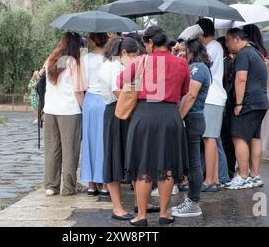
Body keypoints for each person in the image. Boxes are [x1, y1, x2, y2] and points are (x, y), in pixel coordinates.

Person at [117, 26, 190, 227]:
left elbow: (120, 81)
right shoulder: (181, 62)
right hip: (169, 116)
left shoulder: (141, 61)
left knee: (143, 166)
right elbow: (185, 90)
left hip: (144, 115)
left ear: (149, 43)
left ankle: (141, 216)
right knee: (166, 165)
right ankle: (165, 214)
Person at [99, 37, 139, 220]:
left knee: (133, 158)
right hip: (115, 114)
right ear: (123, 53)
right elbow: (119, 93)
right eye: (132, 55)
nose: (134, 59)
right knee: (115, 159)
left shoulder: (122, 67)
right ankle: (117, 207)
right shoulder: (111, 67)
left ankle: (140, 202)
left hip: (127, 113)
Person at [224, 28, 268, 190]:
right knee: (255, 138)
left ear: (236, 39)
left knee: (239, 137)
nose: (227, 45)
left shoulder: (243, 54)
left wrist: (238, 103)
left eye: (228, 40)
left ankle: (243, 176)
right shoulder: (256, 52)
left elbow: (241, 79)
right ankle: (255, 175)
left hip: (247, 102)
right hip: (261, 101)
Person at [172, 38, 211, 218]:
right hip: (192, 118)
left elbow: (191, 95)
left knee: (194, 163)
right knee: (190, 162)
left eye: (183, 51)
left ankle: (194, 203)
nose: (180, 54)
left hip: (192, 119)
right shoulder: (193, 67)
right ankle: (191, 200)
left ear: (192, 50)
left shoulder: (199, 68)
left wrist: (178, 117)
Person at [43, 32, 85, 197]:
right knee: (70, 150)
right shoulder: (73, 63)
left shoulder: (50, 60)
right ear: (75, 46)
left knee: (52, 149)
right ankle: (68, 187)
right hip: (69, 111)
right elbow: (78, 90)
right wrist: (84, 108)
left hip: (50, 110)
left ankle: (51, 186)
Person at [196, 19, 230, 191]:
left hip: (212, 97)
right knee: (212, 139)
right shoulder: (215, 46)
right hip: (212, 98)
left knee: (209, 138)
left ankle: (211, 179)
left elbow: (205, 67)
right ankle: (216, 177)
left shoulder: (212, 47)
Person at [80, 33, 109, 196]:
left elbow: (82, 83)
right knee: (104, 141)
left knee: (89, 141)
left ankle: (91, 184)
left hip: (89, 100)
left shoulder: (85, 59)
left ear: (91, 40)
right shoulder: (110, 59)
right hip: (105, 99)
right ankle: (105, 184)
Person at [217, 36, 237, 179]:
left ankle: (227, 170)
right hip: (230, 104)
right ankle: (228, 169)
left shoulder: (224, 64)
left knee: (225, 139)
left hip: (225, 105)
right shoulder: (230, 62)